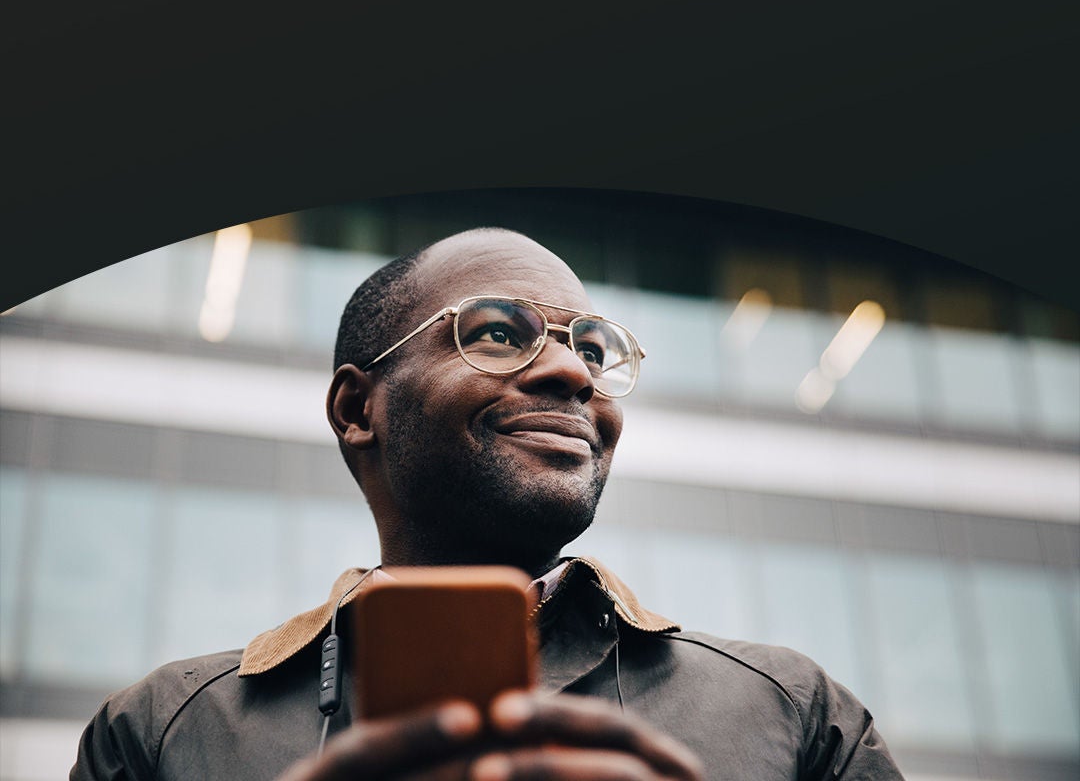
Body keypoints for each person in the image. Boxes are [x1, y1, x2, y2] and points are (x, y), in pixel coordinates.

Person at [71, 227, 904, 779]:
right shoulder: (159, 734)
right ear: (359, 410)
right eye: (499, 332)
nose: (575, 373)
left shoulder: (796, 715)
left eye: (591, 349)